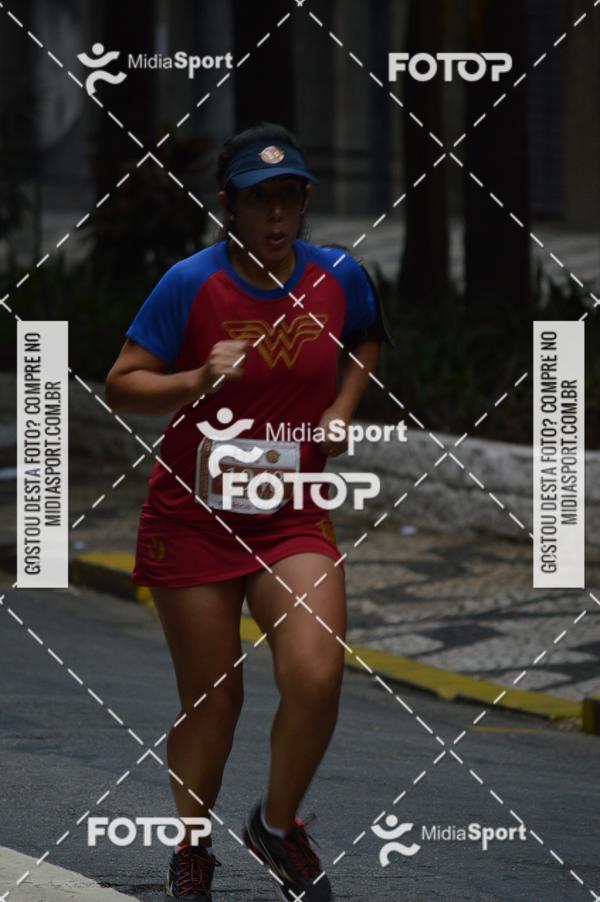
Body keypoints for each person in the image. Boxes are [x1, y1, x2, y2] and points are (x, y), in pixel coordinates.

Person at [105, 122, 393, 902]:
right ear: (227, 204)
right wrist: (195, 378)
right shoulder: (190, 284)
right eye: (260, 200)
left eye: (289, 198)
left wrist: (340, 409)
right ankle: (193, 847)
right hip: (193, 519)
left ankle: (276, 824)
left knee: (317, 673)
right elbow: (123, 382)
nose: (276, 216)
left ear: (305, 202)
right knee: (215, 701)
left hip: (289, 515)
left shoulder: (338, 276)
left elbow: (366, 339)